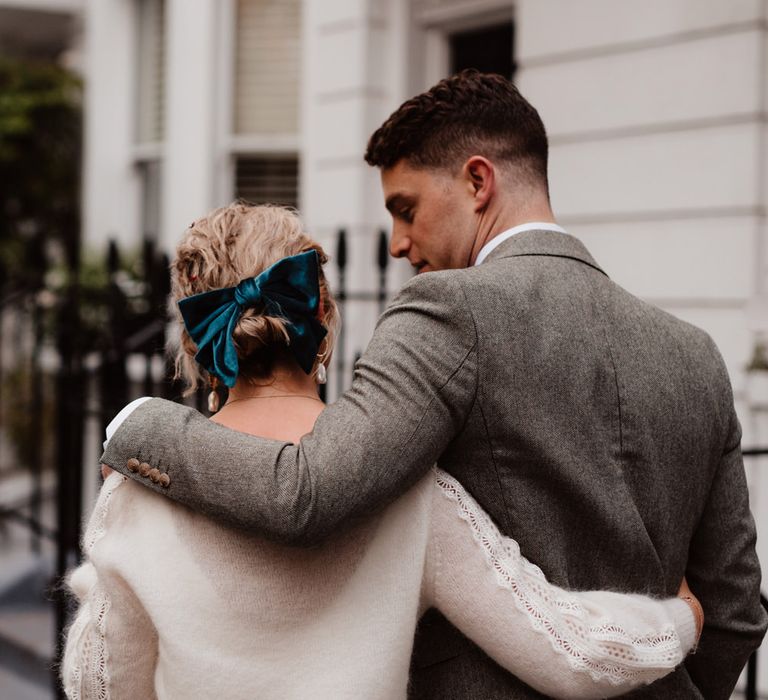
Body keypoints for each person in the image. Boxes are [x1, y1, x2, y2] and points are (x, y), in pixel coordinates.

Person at [100, 72, 767, 698]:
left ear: (478, 181)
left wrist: (139, 427)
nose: (397, 243)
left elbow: (307, 491)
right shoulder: (696, 354)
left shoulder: (446, 312)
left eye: (405, 208)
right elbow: (735, 607)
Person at [62, 203, 702, 700]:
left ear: (196, 341)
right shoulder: (407, 489)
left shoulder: (140, 487)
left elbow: (97, 680)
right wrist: (681, 619)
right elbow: (567, 649)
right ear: (324, 323)